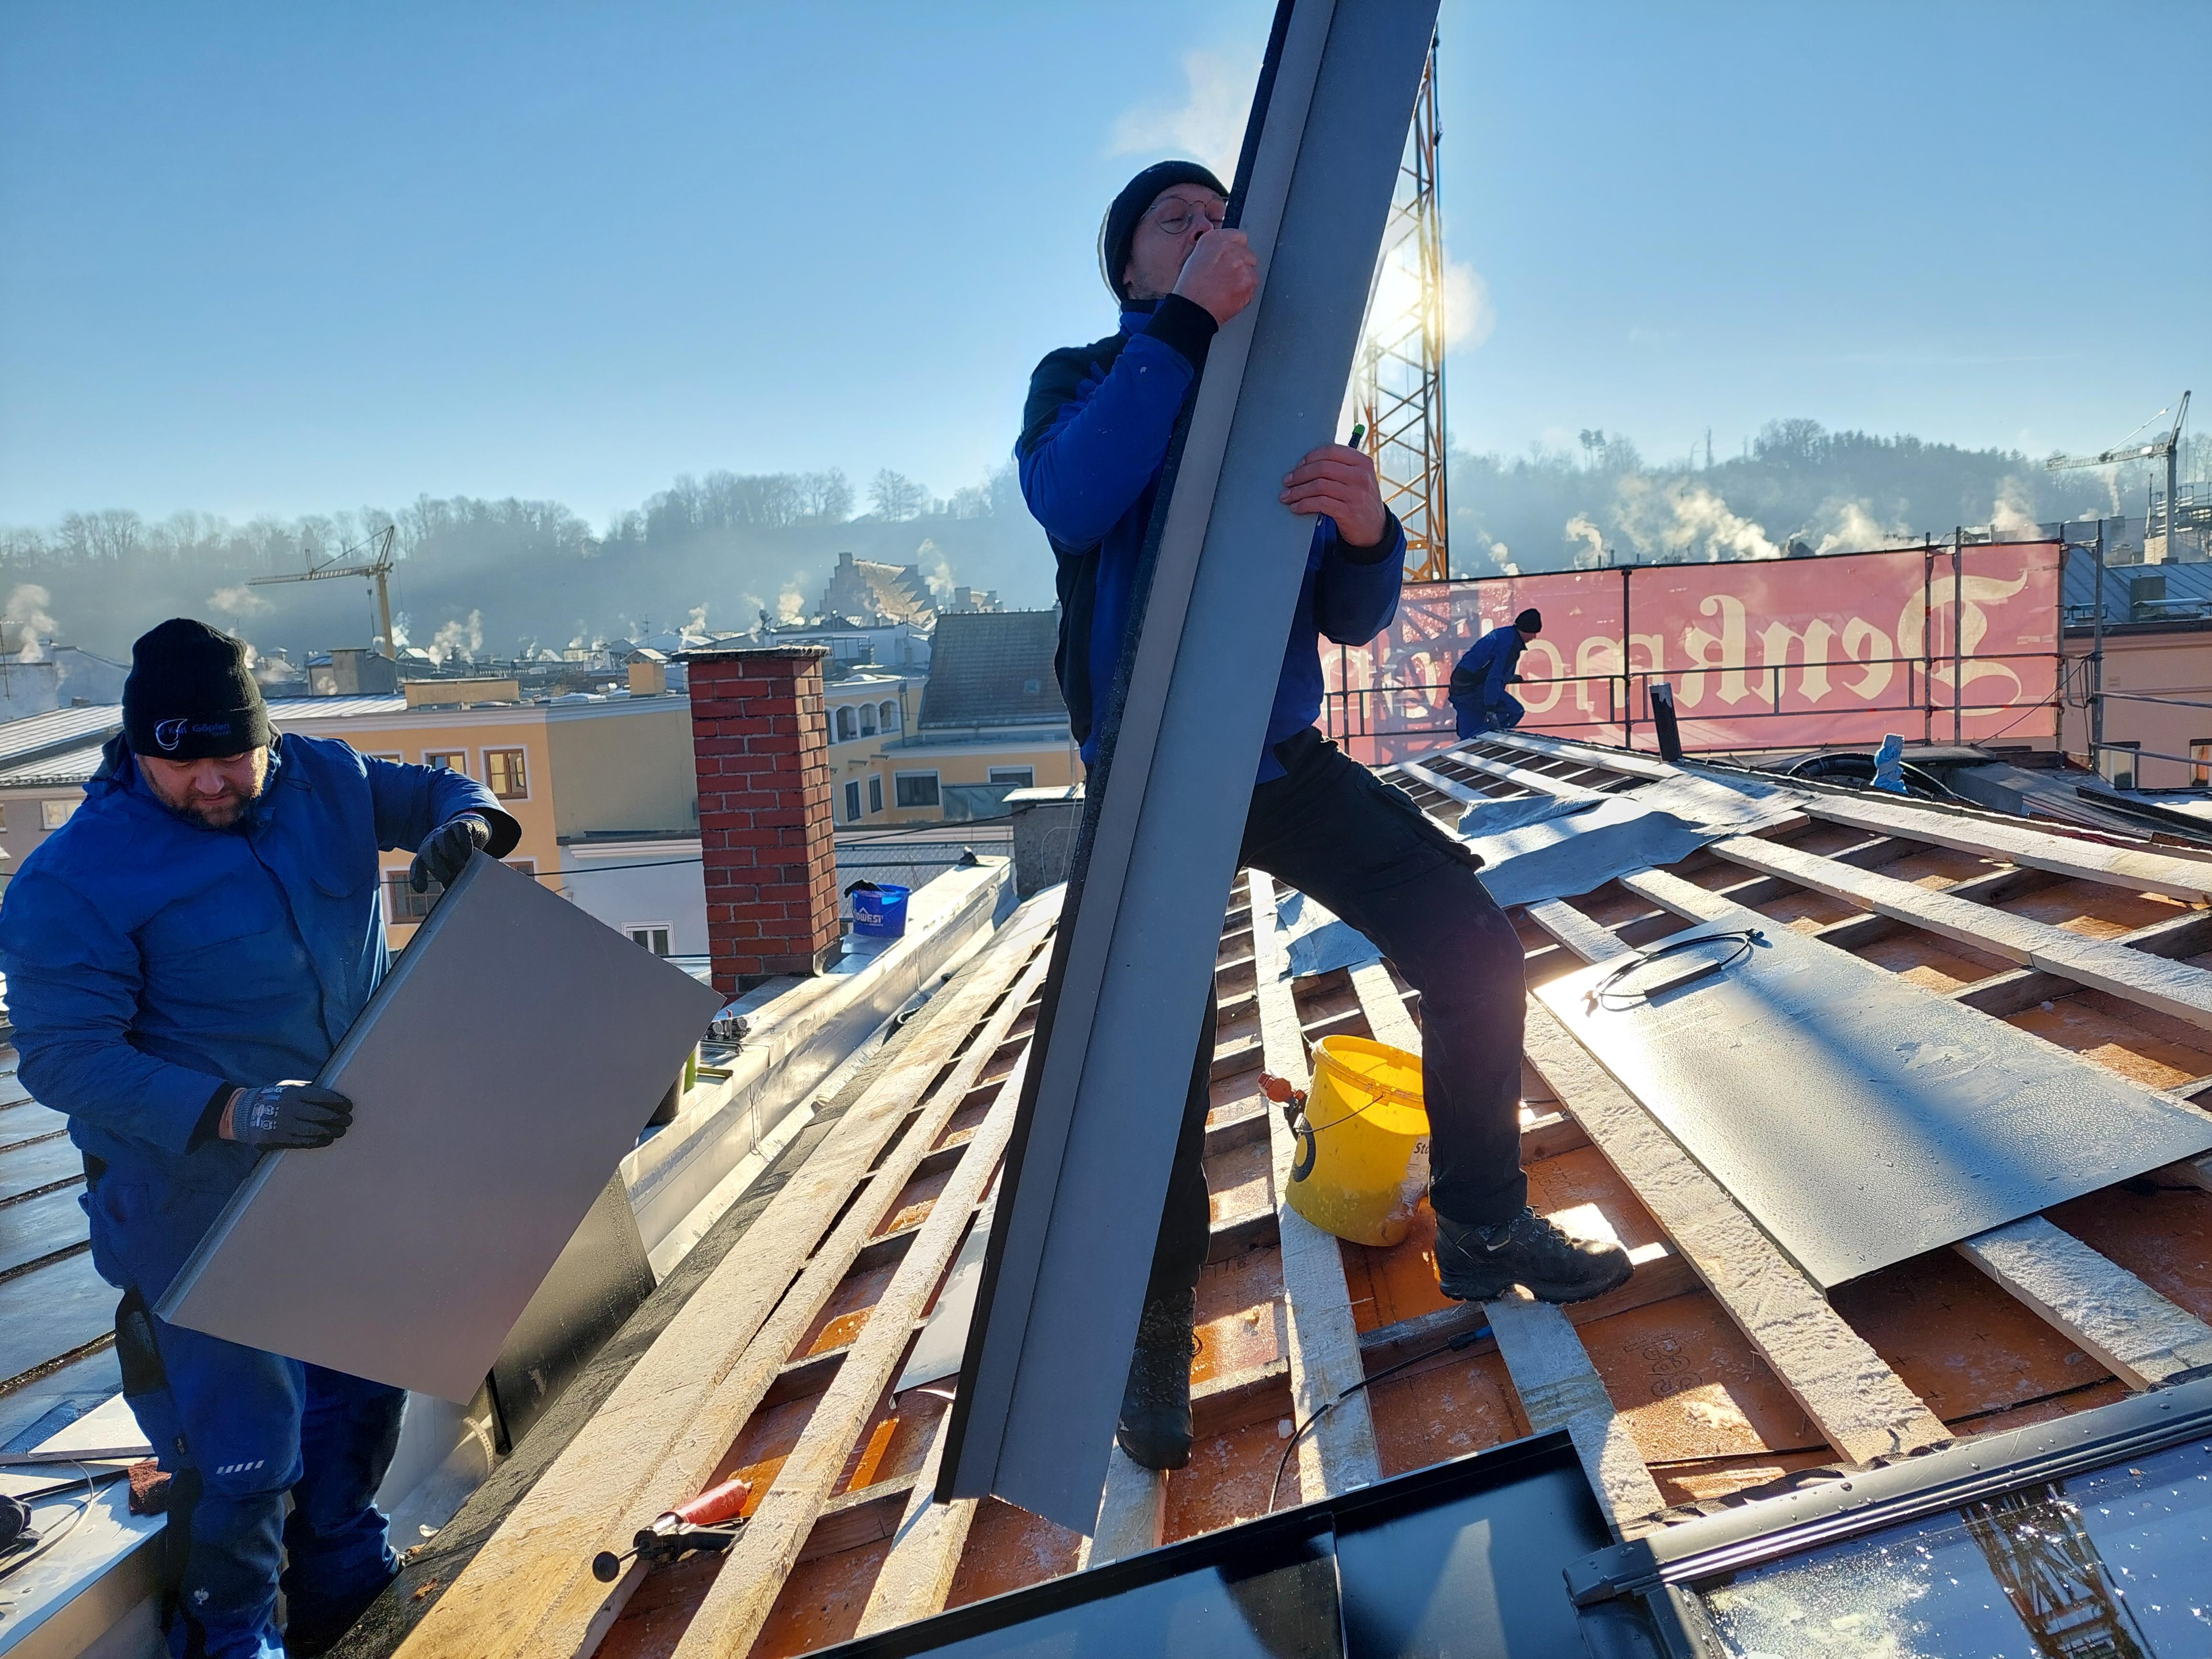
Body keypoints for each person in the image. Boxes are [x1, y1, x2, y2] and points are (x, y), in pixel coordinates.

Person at [1018, 162, 1632, 1473]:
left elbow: (1349, 618)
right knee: (1157, 1063)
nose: (1209, 229)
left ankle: (1482, 1224)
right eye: (1175, 221)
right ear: (1128, 266)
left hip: (1279, 762)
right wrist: (1185, 323)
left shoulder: (1286, 396)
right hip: (1152, 781)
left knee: (1474, 947)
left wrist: (1367, 533)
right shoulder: (1087, 377)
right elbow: (1073, 498)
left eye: (1220, 216)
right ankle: (1152, 1330)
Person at [0, 620, 520, 1659]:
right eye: (182, 765)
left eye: (233, 757)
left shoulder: (324, 778)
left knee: (361, 1393)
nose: (212, 782)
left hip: (350, 1165)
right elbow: (63, 1059)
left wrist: (470, 822)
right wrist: (236, 1110)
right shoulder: (74, 878)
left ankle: (346, 1588)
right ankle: (232, 1635)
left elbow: (436, 792)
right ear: (137, 749)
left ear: (266, 736)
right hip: (193, 1201)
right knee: (243, 1451)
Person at [1449, 608, 1543, 737]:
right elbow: (1494, 677)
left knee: (1468, 731)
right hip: (1474, 687)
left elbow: (1488, 666)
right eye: (1534, 633)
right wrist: (1491, 708)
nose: (1534, 637)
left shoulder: (1504, 634)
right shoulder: (1510, 645)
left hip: (1460, 685)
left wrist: (1507, 678)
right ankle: (1487, 737)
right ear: (1527, 630)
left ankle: (1474, 740)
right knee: (1515, 711)